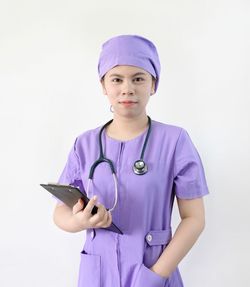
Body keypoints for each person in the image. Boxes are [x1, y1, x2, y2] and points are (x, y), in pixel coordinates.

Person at [53, 35, 209, 287]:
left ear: (153, 84)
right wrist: (78, 221)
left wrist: (155, 276)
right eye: (116, 79)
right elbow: (61, 210)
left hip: (152, 268)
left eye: (138, 78)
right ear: (103, 85)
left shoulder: (175, 141)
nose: (127, 88)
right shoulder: (84, 144)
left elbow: (194, 219)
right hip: (98, 273)